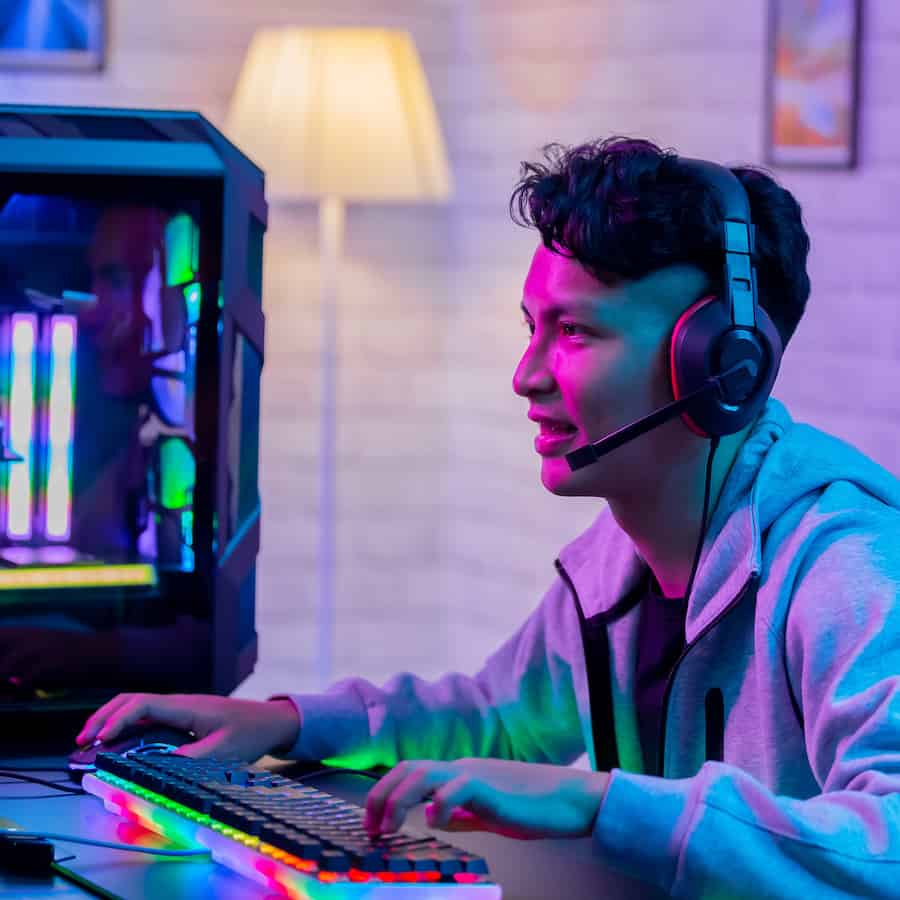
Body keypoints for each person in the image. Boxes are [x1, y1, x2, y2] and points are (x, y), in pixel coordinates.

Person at [74, 138, 900, 898]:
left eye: (574, 332)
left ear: (723, 364)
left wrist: (594, 802)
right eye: (531, 328)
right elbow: (500, 718)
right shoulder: (623, 555)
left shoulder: (844, 565)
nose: (526, 376)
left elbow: (890, 838)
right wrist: (284, 721)